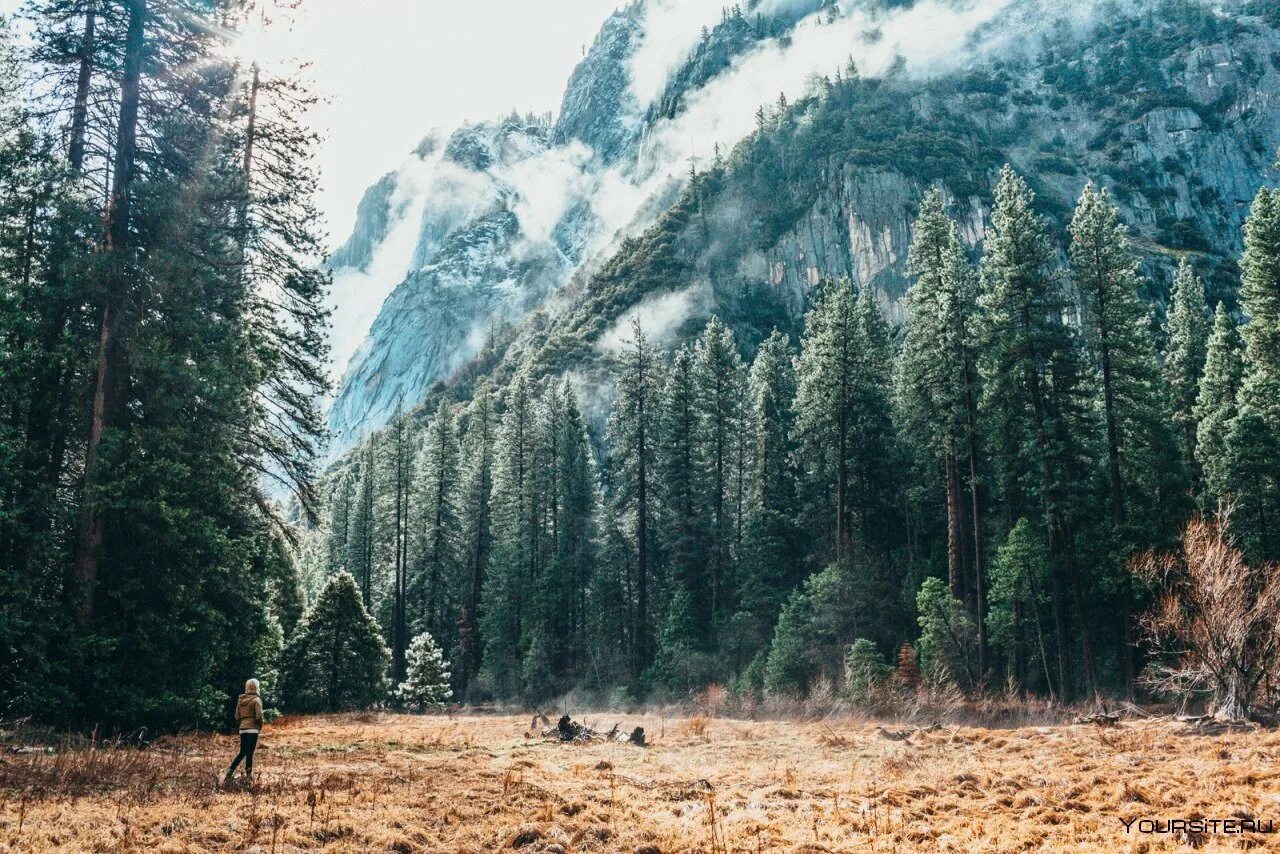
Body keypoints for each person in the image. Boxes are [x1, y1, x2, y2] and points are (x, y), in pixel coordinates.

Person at [225, 678, 264, 783]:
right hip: (253, 729)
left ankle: (229, 772)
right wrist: (260, 726)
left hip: (243, 729)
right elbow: (259, 716)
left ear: (246, 687)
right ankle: (248, 776)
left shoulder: (240, 700)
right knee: (250, 753)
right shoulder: (257, 700)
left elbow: (237, 716)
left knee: (242, 752)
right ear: (257, 687)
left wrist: (241, 725)